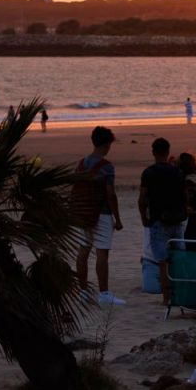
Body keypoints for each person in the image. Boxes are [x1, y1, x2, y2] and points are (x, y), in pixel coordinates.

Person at [75, 126, 125, 305]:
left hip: (83, 212)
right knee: (102, 253)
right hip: (101, 213)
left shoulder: (81, 163)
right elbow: (110, 194)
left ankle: (82, 292)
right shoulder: (106, 166)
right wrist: (117, 218)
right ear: (106, 144)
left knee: (83, 250)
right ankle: (104, 293)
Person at [139, 137, 188, 304]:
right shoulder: (177, 172)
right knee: (179, 258)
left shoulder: (148, 173)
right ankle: (180, 293)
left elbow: (142, 199)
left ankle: (166, 298)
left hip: (158, 219)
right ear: (168, 152)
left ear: (153, 152)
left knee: (162, 262)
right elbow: (184, 195)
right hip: (177, 219)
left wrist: (144, 218)